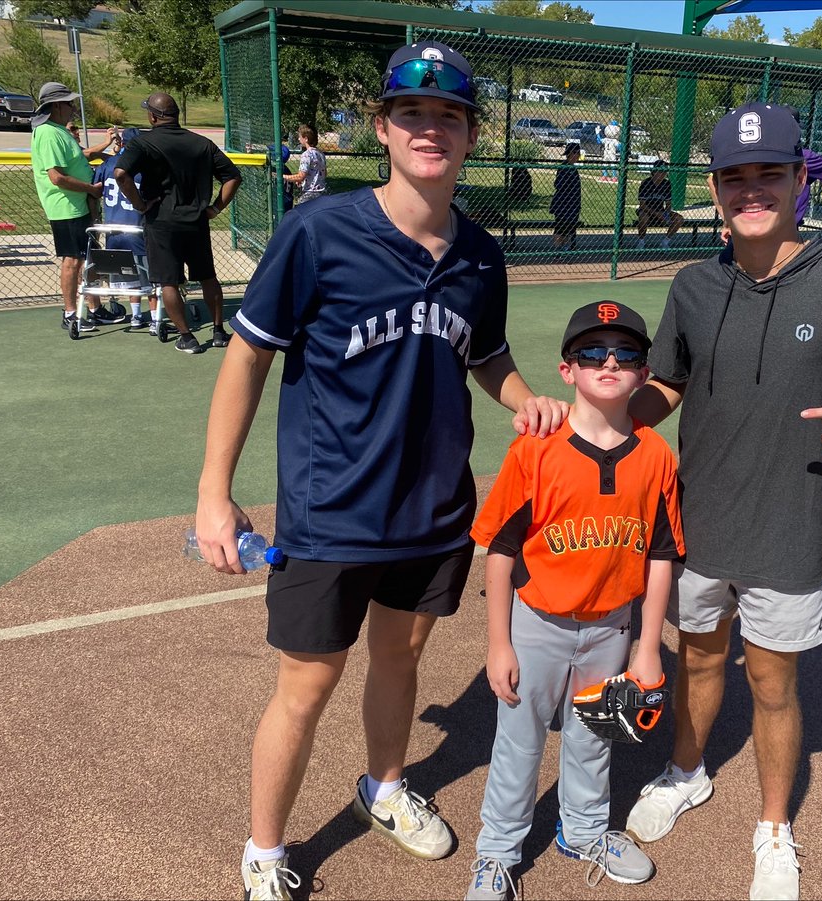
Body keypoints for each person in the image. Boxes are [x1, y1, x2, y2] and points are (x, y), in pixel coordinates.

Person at [191, 40, 568, 901]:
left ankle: (385, 789)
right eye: (413, 113)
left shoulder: (480, 255)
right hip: (331, 511)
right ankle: (264, 849)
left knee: (400, 659)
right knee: (308, 682)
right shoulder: (318, 232)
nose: (431, 129)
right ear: (384, 127)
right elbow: (246, 360)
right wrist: (215, 494)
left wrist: (523, 397)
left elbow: (489, 354)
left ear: (471, 135)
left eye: (450, 116)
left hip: (434, 509)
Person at [624, 102, 822, 901]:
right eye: (734, 178)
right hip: (698, 518)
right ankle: (686, 771)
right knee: (700, 659)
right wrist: (605, 425)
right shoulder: (694, 285)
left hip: (788, 527)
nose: (751, 191)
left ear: (799, 179)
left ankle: (773, 827)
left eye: (768, 173)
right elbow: (667, 382)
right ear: (715, 188)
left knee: (773, 684)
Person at [464, 300, 684, 901]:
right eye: (592, 352)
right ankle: (498, 852)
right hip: (537, 626)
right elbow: (501, 552)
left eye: (626, 354)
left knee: (595, 737)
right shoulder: (536, 449)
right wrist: (499, 642)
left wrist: (647, 647)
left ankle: (584, 831)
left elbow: (662, 555)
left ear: (644, 374)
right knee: (519, 741)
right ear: (568, 371)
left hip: (612, 629)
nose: (609, 362)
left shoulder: (657, 456)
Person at [112, 91, 242, 354]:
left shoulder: (143, 143)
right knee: (207, 277)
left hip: (161, 223)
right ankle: (218, 331)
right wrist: (215, 208)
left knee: (168, 281)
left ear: (153, 116)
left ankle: (187, 337)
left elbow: (120, 173)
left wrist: (139, 204)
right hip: (196, 222)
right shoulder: (201, 143)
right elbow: (233, 176)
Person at [28, 81, 123, 333]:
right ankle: (70, 313)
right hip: (66, 208)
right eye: (69, 103)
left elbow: (81, 157)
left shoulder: (59, 131)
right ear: (57, 106)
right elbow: (56, 177)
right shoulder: (48, 133)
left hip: (79, 206)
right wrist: (92, 189)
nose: (73, 108)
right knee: (72, 261)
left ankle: (95, 308)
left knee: (87, 257)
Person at [93, 126, 158, 333]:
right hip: (137, 231)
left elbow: (95, 191)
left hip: (113, 233)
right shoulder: (144, 169)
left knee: (130, 278)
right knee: (151, 279)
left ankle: (137, 316)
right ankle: (156, 320)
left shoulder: (108, 164)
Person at [636, 159, 684, 250]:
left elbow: (668, 204)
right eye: (660, 172)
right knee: (643, 218)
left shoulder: (666, 184)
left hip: (660, 210)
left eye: (665, 172)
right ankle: (641, 242)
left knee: (679, 219)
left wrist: (665, 215)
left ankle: (665, 242)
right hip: (646, 210)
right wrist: (658, 215)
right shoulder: (646, 183)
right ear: (654, 172)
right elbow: (642, 205)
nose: (663, 174)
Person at [281, 124, 327, 204]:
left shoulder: (306, 155)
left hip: (310, 193)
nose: (298, 139)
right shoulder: (320, 153)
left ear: (306, 139)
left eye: (300, 137)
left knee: (298, 212)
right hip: (321, 192)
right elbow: (324, 173)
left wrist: (283, 177)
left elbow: (300, 177)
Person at [551, 140, 582, 249]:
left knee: (568, 228)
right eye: (577, 153)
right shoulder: (564, 167)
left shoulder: (573, 168)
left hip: (572, 205)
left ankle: (563, 247)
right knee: (560, 227)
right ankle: (558, 248)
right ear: (572, 154)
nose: (578, 156)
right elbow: (558, 185)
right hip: (563, 204)